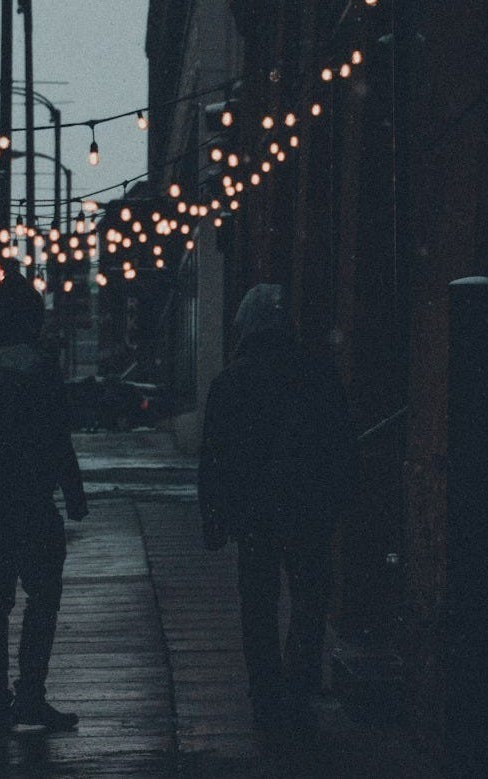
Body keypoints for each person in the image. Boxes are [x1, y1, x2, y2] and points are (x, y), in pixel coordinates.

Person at [198, 284, 357, 743]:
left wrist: (213, 514)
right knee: (309, 598)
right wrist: (337, 497)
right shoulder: (317, 375)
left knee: (258, 604)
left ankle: (266, 695)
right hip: (307, 507)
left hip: (255, 513)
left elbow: (214, 456)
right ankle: (298, 684)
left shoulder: (230, 383)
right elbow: (340, 445)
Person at [0, 269, 88, 736]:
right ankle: (31, 694)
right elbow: (57, 437)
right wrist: (73, 494)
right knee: (43, 595)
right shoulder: (37, 367)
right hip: (32, 498)